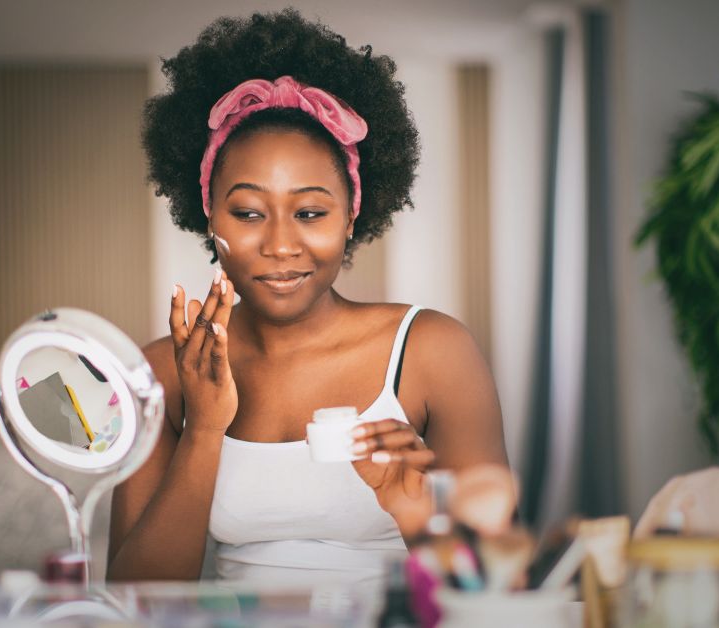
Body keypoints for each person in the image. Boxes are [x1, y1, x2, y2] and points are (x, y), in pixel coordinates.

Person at [107, 9, 509, 585]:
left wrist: (414, 513)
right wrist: (203, 427)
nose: (278, 244)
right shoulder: (162, 374)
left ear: (351, 217)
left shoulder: (433, 352)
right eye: (246, 212)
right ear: (208, 214)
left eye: (311, 213)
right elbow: (130, 601)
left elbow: (501, 590)